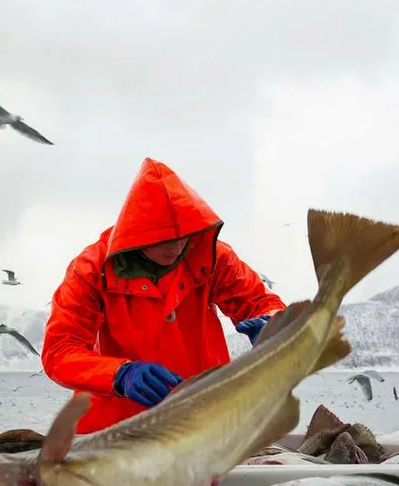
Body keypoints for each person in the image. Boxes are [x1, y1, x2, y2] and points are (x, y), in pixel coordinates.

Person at [41, 157, 286, 434]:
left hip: (206, 422)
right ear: (134, 233)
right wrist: (119, 374)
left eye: (184, 235)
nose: (177, 246)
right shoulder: (90, 269)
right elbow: (60, 351)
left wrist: (275, 324)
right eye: (162, 238)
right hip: (114, 431)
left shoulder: (213, 256)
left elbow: (259, 302)